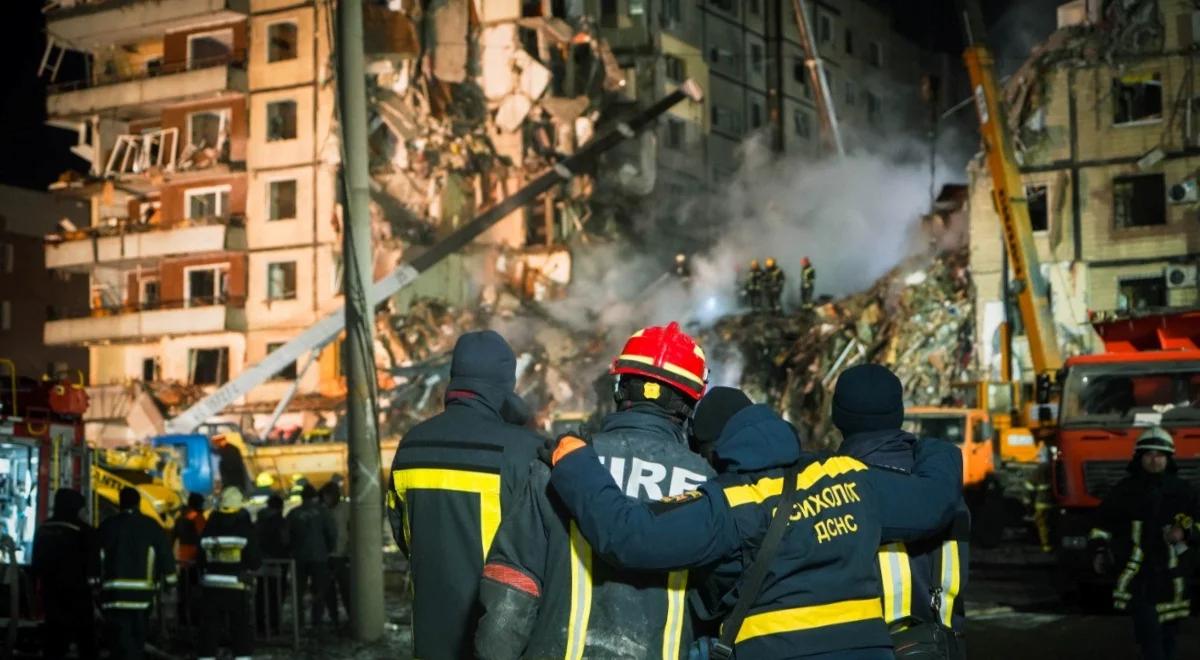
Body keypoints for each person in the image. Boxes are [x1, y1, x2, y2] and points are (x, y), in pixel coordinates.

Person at [543, 384, 962, 659]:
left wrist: (576, 463)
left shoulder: (730, 503)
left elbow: (629, 536)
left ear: (714, 448)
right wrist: (934, 445)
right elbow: (935, 500)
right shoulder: (848, 479)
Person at [475, 322, 716, 658]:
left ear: (619, 387)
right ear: (691, 405)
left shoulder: (560, 463)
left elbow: (511, 586)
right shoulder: (711, 486)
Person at [387, 329, 544, 659]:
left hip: (430, 640)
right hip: (500, 641)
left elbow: (404, 535)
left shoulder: (411, 446)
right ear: (506, 385)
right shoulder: (525, 450)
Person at [831, 364, 970, 658]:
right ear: (899, 412)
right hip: (945, 647)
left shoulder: (836, 491)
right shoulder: (942, 482)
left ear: (837, 418)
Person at [1089, 426, 1197, 660]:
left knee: (1168, 638)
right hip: (1139, 575)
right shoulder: (1124, 491)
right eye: (1148, 455)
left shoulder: (1184, 491)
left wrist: (1186, 532)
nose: (1154, 460)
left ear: (1169, 459)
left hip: (1173, 577)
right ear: (1139, 458)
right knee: (1150, 637)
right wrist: (1099, 550)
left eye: (1160, 455)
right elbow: (1102, 524)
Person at [96, 487, 175, 660]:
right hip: (142, 597)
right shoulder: (151, 526)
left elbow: (95, 557)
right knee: (137, 639)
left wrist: (94, 583)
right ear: (139, 503)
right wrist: (170, 582)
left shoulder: (108, 526)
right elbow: (165, 555)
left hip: (114, 596)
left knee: (119, 642)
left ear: (120, 502)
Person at [31, 488, 97, 659]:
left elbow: (36, 563)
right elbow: (93, 563)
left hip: (50, 592)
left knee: (54, 636)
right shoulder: (84, 531)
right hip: (78, 592)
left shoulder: (43, 528)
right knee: (85, 638)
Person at [196, 486, 260, 660]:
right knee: (240, 628)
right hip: (236, 587)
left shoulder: (209, 529)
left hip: (210, 587)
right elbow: (255, 562)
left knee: (209, 629)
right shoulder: (244, 530)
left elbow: (200, 558)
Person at [287, 483, 337, 628]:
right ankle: (317, 621)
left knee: (298, 592)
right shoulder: (323, 512)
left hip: (298, 558)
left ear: (302, 498)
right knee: (319, 591)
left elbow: (285, 536)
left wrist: (291, 550)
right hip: (319, 558)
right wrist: (328, 550)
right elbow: (332, 534)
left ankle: (299, 623)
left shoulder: (293, 513)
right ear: (315, 497)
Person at [255, 493, 290, 635]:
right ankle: (274, 625)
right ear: (280, 507)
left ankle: (260, 625)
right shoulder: (280, 521)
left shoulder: (259, 521)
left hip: (262, 561)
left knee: (262, 593)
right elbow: (285, 540)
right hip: (278, 561)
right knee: (276, 594)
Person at [172, 492, 206, 626]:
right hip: (195, 561)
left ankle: (182, 621)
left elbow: (173, 538)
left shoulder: (180, 517)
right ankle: (195, 622)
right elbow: (203, 537)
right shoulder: (197, 517)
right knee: (196, 594)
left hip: (183, 561)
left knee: (184, 595)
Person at [321, 480, 351, 626]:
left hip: (341, 556)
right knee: (329, 591)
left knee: (346, 590)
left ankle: (351, 618)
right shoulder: (323, 510)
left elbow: (351, 531)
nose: (327, 499)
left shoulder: (345, 508)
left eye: (328, 496)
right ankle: (335, 619)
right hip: (327, 557)